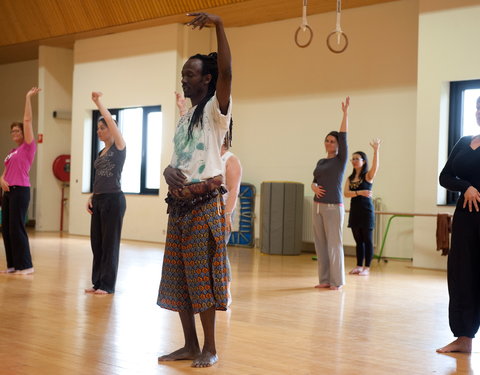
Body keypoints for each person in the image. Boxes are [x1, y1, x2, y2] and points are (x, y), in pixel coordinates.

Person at [157, 12, 232, 368]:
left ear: (206, 79)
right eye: (182, 74)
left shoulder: (217, 110)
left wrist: (218, 24)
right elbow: (177, 161)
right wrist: (168, 171)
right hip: (179, 207)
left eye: (189, 74)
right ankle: (189, 344)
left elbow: (228, 73)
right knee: (180, 278)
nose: (184, 80)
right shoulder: (185, 117)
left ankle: (210, 347)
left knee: (202, 278)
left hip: (204, 206)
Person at [176, 92, 242, 306]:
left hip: (220, 212)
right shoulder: (205, 153)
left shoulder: (231, 160)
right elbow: (192, 134)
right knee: (203, 255)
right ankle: (204, 293)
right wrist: (182, 109)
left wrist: (227, 215)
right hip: (201, 210)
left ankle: (225, 290)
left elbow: (233, 190)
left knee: (219, 254)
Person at [437, 96, 480, 353]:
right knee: (462, 274)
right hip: (465, 217)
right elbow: (445, 176)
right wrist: (466, 187)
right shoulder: (464, 142)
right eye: (477, 108)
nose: (478, 112)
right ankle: (463, 338)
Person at [85, 92, 126, 295]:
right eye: (98, 129)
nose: (99, 131)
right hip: (99, 199)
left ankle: (108, 285)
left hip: (114, 200)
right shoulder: (100, 153)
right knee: (97, 244)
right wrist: (92, 197)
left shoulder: (119, 147)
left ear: (112, 130)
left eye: (102, 128)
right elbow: (99, 178)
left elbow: (109, 118)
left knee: (110, 244)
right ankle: (97, 282)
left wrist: (98, 102)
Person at [0, 87, 41, 275]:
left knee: (17, 228)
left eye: (18, 130)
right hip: (7, 192)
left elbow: (27, 120)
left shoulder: (28, 147)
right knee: (6, 229)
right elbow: (5, 171)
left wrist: (27, 97)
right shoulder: (11, 152)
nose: (15, 133)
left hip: (20, 190)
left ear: (24, 133)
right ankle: (12, 265)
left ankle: (26, 266)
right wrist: (1, 179)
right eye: (12, 131)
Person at [311, 97, 350, 290]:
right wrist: (313, 187)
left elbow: (343, 136)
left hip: (334, 207)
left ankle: (337, 282)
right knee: (320, 245)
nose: (329, 143)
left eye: (332, 141)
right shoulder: (321, 162)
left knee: (334, 245)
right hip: (317, 206)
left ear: (337, 145)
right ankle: (324, 279)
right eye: (327, 140)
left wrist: (344, 114)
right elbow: (315, 180)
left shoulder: (340, 160)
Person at [344, 139, 381, 276]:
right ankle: (359, 265)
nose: (354, 161)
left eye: (357, 159)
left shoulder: (368, 176)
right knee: (358, 240)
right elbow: (346, 193)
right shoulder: (350, 178)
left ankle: (367, 267)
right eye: (352, 159)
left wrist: (376, 151)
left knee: (367, 240)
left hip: (366, 212)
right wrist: (359, 192)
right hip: (355, 212)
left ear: (363, 161)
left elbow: (376, 167)